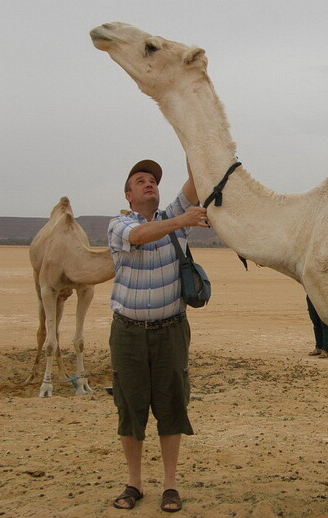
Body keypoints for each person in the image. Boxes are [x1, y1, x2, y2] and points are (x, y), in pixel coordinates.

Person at [107, 159, 208, 513]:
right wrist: (183, 221)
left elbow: (197, 177)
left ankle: (170, 485)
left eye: (152, 180)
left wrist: (189, 132)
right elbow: (138, 237)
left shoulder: (172, 214)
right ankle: (134, 483)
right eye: (140, 180)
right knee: (130, 407)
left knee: (171, 406)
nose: (149, 183)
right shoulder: (119, 224)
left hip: (171, 331)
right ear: (128, 194)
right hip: (128, 333)